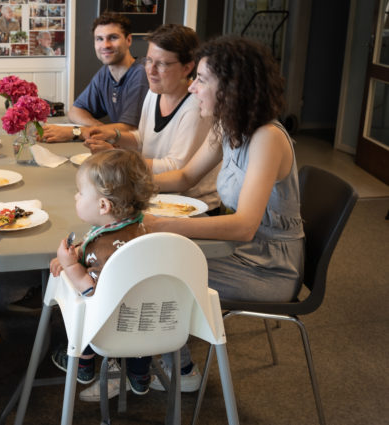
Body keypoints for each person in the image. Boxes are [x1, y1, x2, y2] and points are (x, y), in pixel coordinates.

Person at [145, 35, 304, 392]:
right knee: (158, 257)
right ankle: (147, 357)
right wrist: (129, 186)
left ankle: (178, 368)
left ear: (230, 87)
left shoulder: (267, 137)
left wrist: (158, 224)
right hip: (239, 250)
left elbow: (245, 226)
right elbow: (185, 176)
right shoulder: (226, 125)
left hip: (269, 265)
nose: (192, 87)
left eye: (201, 79)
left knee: (159, 267)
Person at [47, 149, 157, 397]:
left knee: (79, 307)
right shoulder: (138, 227)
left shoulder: (103, 249)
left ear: (103, 205)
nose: (76, 196)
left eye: (80, 192)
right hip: (147, 325)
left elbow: (91, 290)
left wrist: (70, 266)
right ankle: (139, 375)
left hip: (110, 328)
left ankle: (84, 362)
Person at [84, 24, 220, 212]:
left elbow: (175, 167)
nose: (151, 70)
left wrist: (118, 158)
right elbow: (144, 138)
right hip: (157, 195)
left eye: (162, 63)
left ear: (187, 67)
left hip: (191, 206)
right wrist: (115, 136)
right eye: (149, 60)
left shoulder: (197, 108)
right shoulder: (155, 92)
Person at [40, 12, 148, 143]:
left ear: (128, 40)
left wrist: (76, 132)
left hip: (144, 156)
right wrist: (101, 130)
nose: (105, 45)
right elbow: (75, 111)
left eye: (113, 38)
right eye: (99, 39)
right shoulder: (105, 73)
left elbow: (130, 129)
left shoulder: (142, 73)